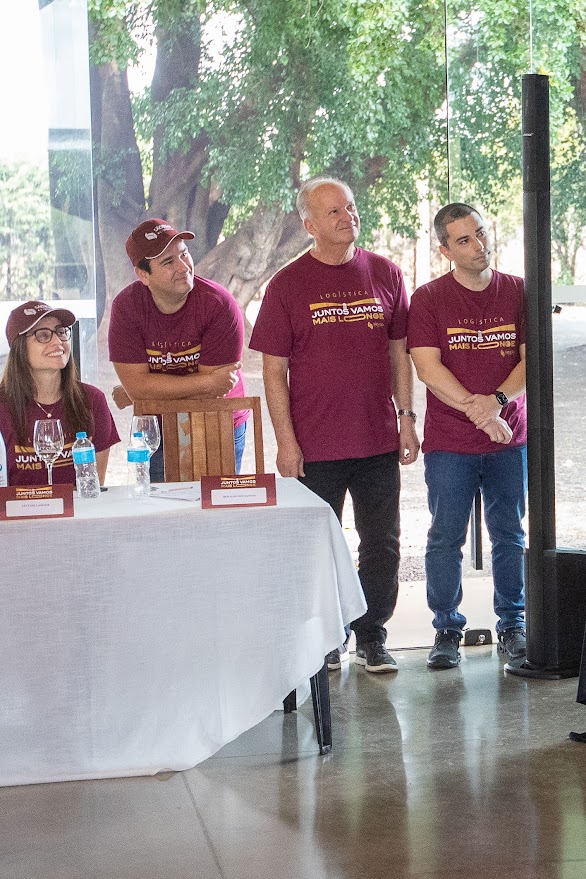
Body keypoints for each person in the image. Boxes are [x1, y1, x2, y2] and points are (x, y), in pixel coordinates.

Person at [249, 176, 420, 673]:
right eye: (333, 212)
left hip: (376, 438)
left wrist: (406, 419)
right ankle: (327, 636)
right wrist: (286, 442)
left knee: (382, 543)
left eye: (350, 207)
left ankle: (372, 634)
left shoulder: (386, 273)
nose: (348, 217)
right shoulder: (286, 285)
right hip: (315, 444)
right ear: (309, 225)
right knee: (318, 545)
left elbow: (400, 355)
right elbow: (273, 373)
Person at [408, 202, 527, 669]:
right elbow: (427, 368)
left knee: (510, 534)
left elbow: (530, 360)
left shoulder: (517, 291)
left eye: (480, 233)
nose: (478, 245)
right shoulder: (429, 298)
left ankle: (513, 625)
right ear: (445, 250)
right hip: (450, 442)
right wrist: (480, 413)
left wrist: (495, 403)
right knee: (445, 537)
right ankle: (446, 629)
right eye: (464, 240)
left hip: (509, 438)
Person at [109, 219, 247, 481]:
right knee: (160, 504)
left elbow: (212, 394)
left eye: (184, 254)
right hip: (158, 427)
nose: (183, 267)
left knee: (215, 502)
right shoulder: (127, 308)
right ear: (143, 275)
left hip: (218, 418)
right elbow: (207, 384)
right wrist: (138, 391)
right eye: (168, 262)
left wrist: (143, 392)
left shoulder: (219, 304)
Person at [0, 301, 120, 485]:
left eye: (61, 332)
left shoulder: (93, 400)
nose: (57, 342)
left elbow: (94, 487)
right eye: (43, 335)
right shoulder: (3, 407)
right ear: (19, 347)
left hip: (78, 505)